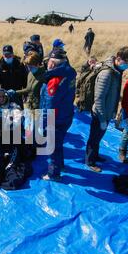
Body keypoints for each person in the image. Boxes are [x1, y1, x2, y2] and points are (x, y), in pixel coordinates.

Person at [85, 46, 128, 173]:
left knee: (99, 136)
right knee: (94, 137)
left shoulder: (116, 71)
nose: (127, 65)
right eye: (126, 62)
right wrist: (102, 118)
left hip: (107, 112)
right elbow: (99, 98)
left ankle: (95, 156)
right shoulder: (107, 73)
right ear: (118, 58)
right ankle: (90, 161)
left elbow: (112, 94)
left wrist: (112, 111)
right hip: (100, 113)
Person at [40, 49, 77, 182]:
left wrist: (44, 124)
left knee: (52, 147)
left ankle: (53, 174)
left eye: (49, 61)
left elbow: (50, 104)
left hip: (55, 118)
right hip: (66, 114)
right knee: (59, 142)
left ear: (53, 63)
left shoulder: (55, 80)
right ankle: (60, 166)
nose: (47, 64)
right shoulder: (70, 74)